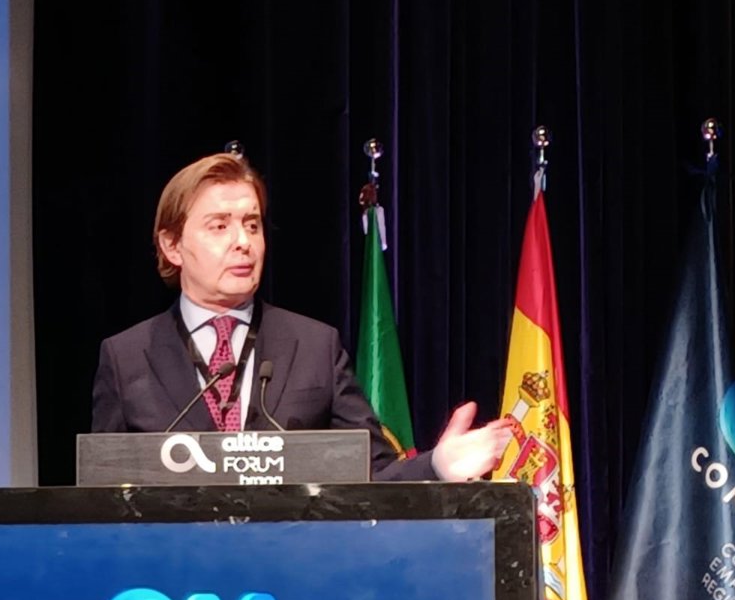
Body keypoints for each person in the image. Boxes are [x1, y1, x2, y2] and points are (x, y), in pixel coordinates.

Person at [91, 151, 508, 481]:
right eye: (219, 226)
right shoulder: (126, 357)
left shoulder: (314, 346)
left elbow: (374, 474)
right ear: (172, 246)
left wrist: (436, 465)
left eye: (252, 225)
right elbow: (100, 496)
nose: (243, 242)